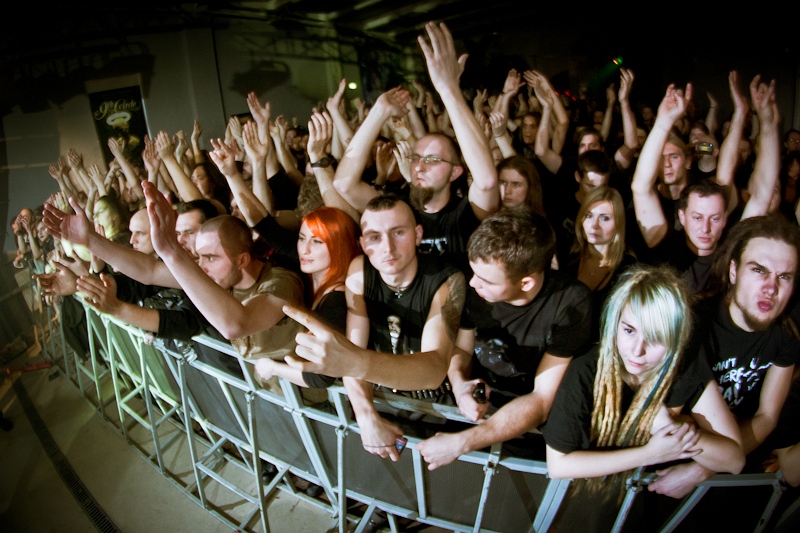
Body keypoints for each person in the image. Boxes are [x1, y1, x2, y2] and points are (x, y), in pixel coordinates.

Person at [416, 208, 592, 469]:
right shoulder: (477, 289)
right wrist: (459, 384)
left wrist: (462, 443)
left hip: (527, 424)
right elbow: (462, 352)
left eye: (486, 280)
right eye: (474, 272)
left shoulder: (570, 304)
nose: (473, 284)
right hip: (478, 407)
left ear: (526, 283)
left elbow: (542, 399)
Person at [647, 215, 800, 498]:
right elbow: (665, 421)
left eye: (784, 277)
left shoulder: (786, 334)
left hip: (728, 458)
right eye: (759, 270)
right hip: (666, 458)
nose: (771, 288)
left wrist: (701, 471)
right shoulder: (693, 326)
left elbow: (766, 417)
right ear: (733, 271)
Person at [332, 22, 499, 274]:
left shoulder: (468, 212)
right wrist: (378, 112)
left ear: (455, 172)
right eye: (416, 157)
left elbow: (486, 181)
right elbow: (344, 185)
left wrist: (448, 89)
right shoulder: (398, 208)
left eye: (432, 160)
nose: (419, 165)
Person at [253, 206, 361, 388]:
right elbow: (266, 228)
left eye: (317, 242)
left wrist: (272, 367)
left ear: (338, 245)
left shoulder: (336, 301)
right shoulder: (319, 277)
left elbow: (320, 376)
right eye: (302, 239)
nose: (305, 249)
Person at [564, 186, 636, 340]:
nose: (594, 225)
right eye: (589, 216)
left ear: (618, 223)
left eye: (604, 218)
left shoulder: (628, 268)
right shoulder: (568, 254)